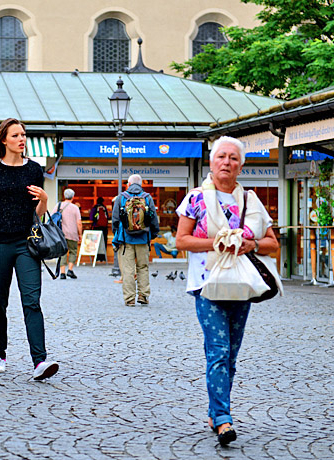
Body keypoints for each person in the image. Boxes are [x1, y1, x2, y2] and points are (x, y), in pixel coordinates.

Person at [175, 136, 279, 446]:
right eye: (221, 156)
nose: (227, 162)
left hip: (240, 285)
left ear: (241, 165)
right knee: (218, 351)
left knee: (230, 355)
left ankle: (214, 410)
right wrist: (217, 243)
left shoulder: (250, 201)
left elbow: (273, 244)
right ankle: (223, 418)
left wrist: (252, 244)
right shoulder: (195, 198)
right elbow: (181, 240)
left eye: (233, 158)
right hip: (206, 285)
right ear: (211, 161)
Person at [0, 118, 59, 380]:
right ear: (3, 140)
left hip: (26, 243)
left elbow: (36, 215)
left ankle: (40, 361)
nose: (22, 139)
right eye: (16, 135)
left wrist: (44, 200)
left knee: (32, 301)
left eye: (24, 134)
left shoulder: (34, 169)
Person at [112, 174, 159, 306]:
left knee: (128, 269)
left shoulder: (122, 197)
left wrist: (117, 234)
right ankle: (143, 296)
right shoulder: (147, 197)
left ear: (128, 184)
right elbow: (154, 219)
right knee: (143, 267)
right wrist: (152, 234)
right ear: (141, 184)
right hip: (143, 239)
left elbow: (115, 219)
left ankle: (130, 299)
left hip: (126, 239)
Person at [52, 188, 82, 279]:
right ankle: (70, 270)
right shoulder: (75, 208)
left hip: (61, 234)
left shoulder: (58, 205)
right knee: (73, 251)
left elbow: (52, 217)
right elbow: (79, 222)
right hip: (73, 233)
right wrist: (80, 234)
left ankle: (62, 272)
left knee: (62, 252)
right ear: (73, 197)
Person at [89, 197, 109, 262]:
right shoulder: (104, 208)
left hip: (96, 227)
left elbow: (92, 217)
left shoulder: (95, 208)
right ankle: (103, 257)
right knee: (104, 242)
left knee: (96, 242)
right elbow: (108, 217)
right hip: (104, 228)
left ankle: (96, 257)